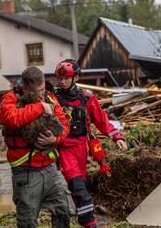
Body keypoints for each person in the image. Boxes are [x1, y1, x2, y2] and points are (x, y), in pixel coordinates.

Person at [54, 59, 127, 228]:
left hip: (81, 148)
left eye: (66, 77)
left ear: (76, 77)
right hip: (63, 149)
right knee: (80, 190)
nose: (62, 81)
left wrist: (117, 137)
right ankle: (90, 224)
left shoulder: (87, 98)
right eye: (60, 78)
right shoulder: (53, 98)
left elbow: (102, 121)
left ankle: (65, 219)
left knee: (76, 190)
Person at [0, 66, 75, 228]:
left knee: (64, 209)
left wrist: (55, 139)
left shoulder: (50, 98)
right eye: (37, 91)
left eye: (42, 89)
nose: (41, 95)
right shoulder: (10, 98)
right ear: (25, 88)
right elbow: (10, 118)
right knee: (27, 222)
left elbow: (64, 125)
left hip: (50, 168)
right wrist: (40, 107)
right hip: (25, 172)